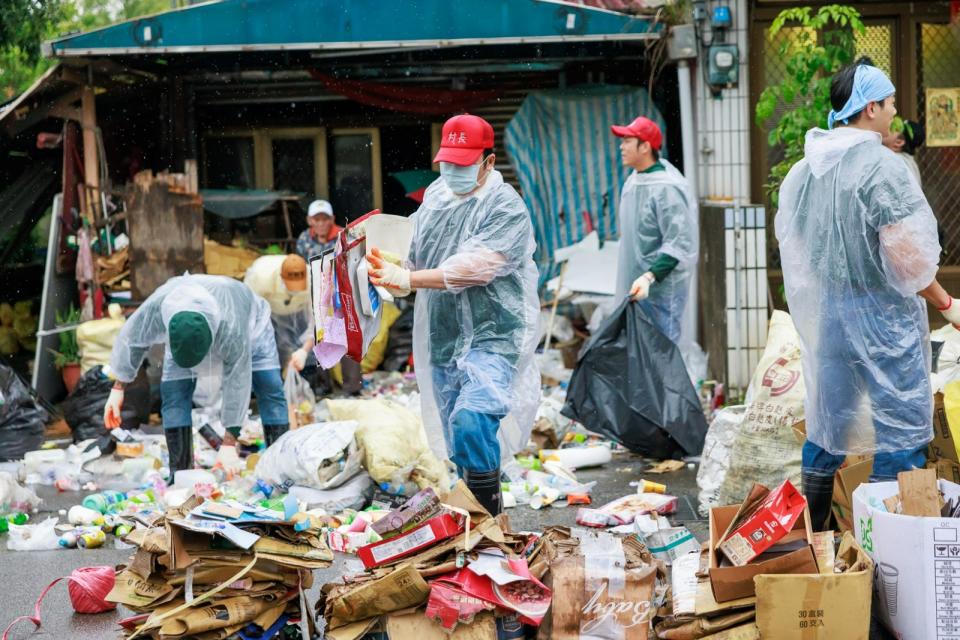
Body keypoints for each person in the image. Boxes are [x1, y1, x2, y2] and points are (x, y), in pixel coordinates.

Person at [776, 59, 960, 531]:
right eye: (891, 102)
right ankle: (879, 553)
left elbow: (796, 245)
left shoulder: (806, 169)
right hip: (884, 323)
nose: (896, 111)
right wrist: (947, 303)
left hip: (832, 318)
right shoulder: (883, 167)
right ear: (871, 107)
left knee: (828, 424)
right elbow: (908, 259)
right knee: (898, 433)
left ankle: (816, 542)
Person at [364, 114, 540, 516]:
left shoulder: (505, 206)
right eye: (447, 163)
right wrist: (379, 263)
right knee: (457, 440)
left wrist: (408, 277)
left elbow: (475, 267)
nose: (453, 172)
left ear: (488, 162)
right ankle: (471, 529)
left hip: (494, 334)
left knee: (472, 418)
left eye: (463, 164)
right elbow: (412, 247)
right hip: (443, 337)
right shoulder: (436, 200)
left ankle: (489, 520)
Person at [102, 274, 289, 474]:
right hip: (187, 339)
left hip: (253, 331)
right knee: (174, 394)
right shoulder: (160, 306)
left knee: (269, 386)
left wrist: (229, 442)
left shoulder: (232, 328)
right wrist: (118, 387)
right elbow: (132, 338)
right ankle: (180, 473)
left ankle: (280, 469)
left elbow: (238, 380)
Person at [610, 116, 698, 344]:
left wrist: (650, 277)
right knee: (641, 352)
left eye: (627, 140)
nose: (621, 146)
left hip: (661, 290)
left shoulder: (666, 188)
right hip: (638, 287)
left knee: (664, 352)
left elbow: (680, 243)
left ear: (645, 146)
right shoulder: (634, 182)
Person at [243, 254, 311, 369]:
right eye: (291, 285)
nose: (295, 290)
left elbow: (318, 322)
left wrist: (304, 351)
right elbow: (249, 312)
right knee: (272, 349)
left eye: (299, 286)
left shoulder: (314, 279)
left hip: (299, 310)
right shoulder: (260, 277)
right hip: (267, 311)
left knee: (305, 353)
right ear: (281, 277)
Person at [882, 119, 924, 187]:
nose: (886, 128)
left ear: (899, 142)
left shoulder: (895, 162)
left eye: (892, 128)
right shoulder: (909, 162)